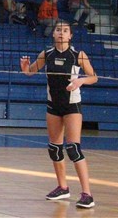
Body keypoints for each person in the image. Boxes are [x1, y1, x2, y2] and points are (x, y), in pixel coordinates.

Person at [20, 20, 98, 209]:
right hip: (53, 106)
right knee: (54, 149)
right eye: (58, 30)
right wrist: (25, 69)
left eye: (65, 31)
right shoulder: (46, 54)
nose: (61, 33)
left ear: (70, 36)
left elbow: (94, 77)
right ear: (53, 34)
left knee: (73, 148)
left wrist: (80, 81)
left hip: (72, 106)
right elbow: (31, 72)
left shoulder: (78, 55)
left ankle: (87, 194)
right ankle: (63, 187)